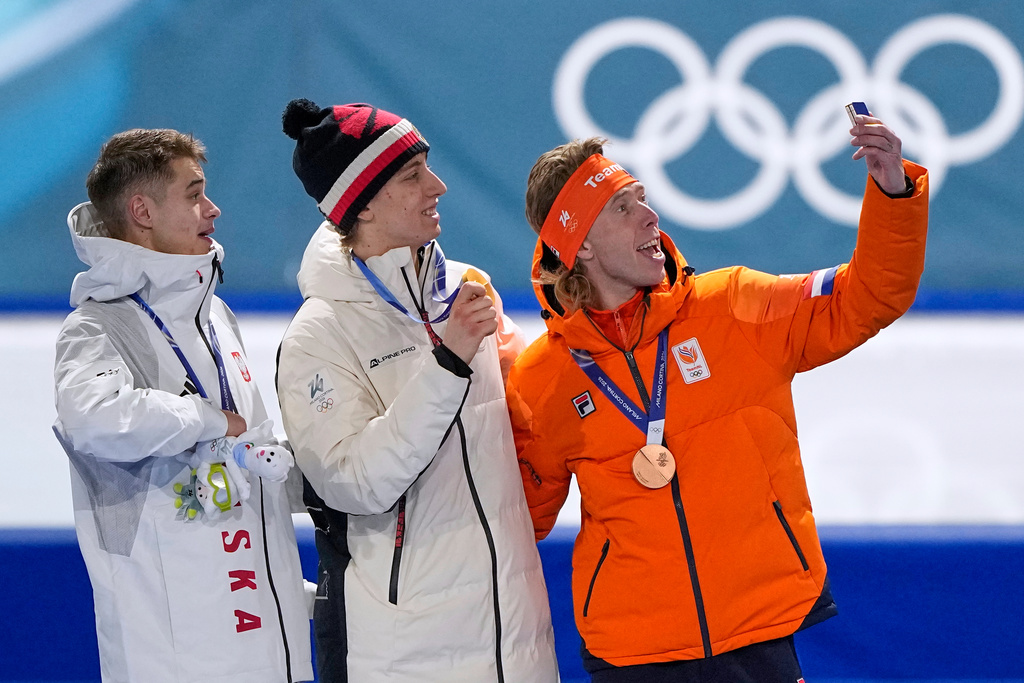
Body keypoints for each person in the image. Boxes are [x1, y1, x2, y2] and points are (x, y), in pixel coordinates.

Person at [507, 113, 928, 681]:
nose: (651, 216)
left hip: (759, 630)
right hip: (633, 650)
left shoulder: (734, 305)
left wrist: (892, 191)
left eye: (643, 197)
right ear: (577, 246)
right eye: (622, 207)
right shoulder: (543, 377)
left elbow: (869, 296)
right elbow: (512, 521)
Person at [276, 98, 559, 682]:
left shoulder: (468, 287)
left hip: (519, 635)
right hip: (405, 652)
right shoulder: (319, 334)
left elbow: (533, 417)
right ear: (363, 205)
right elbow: (356, 481)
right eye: (413, 175)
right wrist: (448, 361)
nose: (439, 185)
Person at [53, 129, 313, 683]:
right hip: (175, 660)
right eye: (194, 193)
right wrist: (205, 418)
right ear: (142, 210)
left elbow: (248, 461)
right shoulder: (98, 327)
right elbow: (93, 419)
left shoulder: (216, 317)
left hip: (268, 644)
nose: (212, 209)